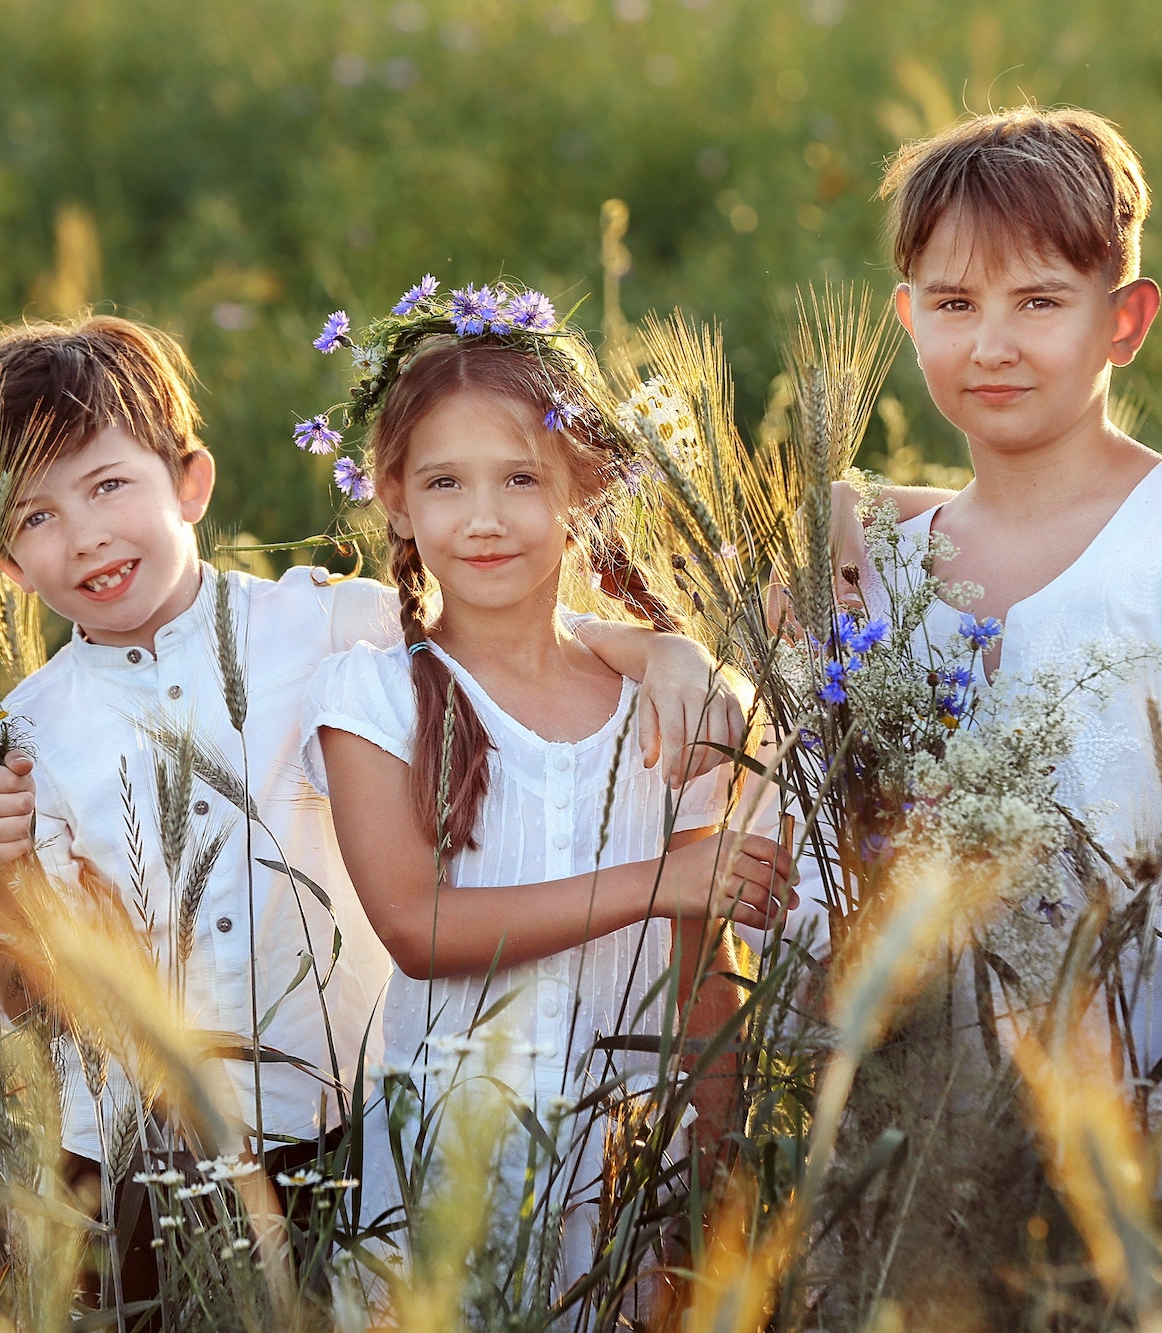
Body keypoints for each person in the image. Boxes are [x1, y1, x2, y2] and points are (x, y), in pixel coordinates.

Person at [0, 313, 748, 1313]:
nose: (87, 534)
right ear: (4, 564)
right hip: (134, 1162)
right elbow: (24, 1001)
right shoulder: (21, 732)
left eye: (109, 486)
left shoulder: (319, 621)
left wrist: (662, 650)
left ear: (189, 482)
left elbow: (501, 626)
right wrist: (4, 869)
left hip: (336, 1128)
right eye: (35, 517)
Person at [854, 106, 1162, 1096]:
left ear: (1121, 321)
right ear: (907, 318)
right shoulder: (882, 576)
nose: (990, 344)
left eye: (1038, 302)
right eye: (953, 304)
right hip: (928, 1151)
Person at [298, 312, 793, 1297]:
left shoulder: (665, 699)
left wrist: (723, 1160)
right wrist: (662, 880)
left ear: (583, 489)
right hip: (445, 1157)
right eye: (444, 482)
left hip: (631, 1159)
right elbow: (417, 927)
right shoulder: (371, 700)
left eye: (521, 478)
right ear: (393, 501)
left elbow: (701, 965)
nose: (484, 518)